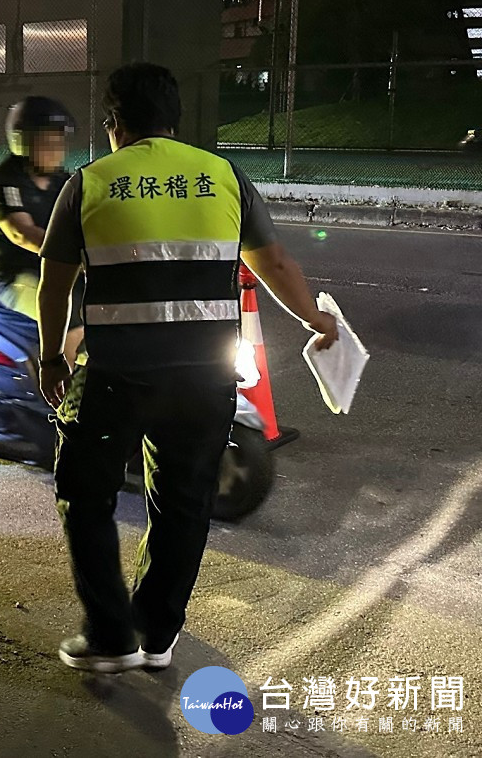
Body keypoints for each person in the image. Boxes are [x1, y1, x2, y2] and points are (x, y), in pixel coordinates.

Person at [36, 62, 339, 674]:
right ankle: (156, 633)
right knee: (182, 502)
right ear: (174, 122)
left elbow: (54, 284)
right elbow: (276, 263)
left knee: (86, 494)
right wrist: (316, 320)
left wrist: (50, 356)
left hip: (117, 374)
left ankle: (110, 635)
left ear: (115, 123)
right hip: (203, 379)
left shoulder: (90, 183)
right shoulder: (224, 178)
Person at [0, 96, 84, 362]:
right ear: (23, 142)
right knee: (72, 313)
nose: (56, 149)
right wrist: (77, 255)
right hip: (11, 275)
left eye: (59, 141)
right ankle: (66, 394)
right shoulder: (6, 182)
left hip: (52, 267)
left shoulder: (62, 181)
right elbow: (22, 233)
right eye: (47, 142)